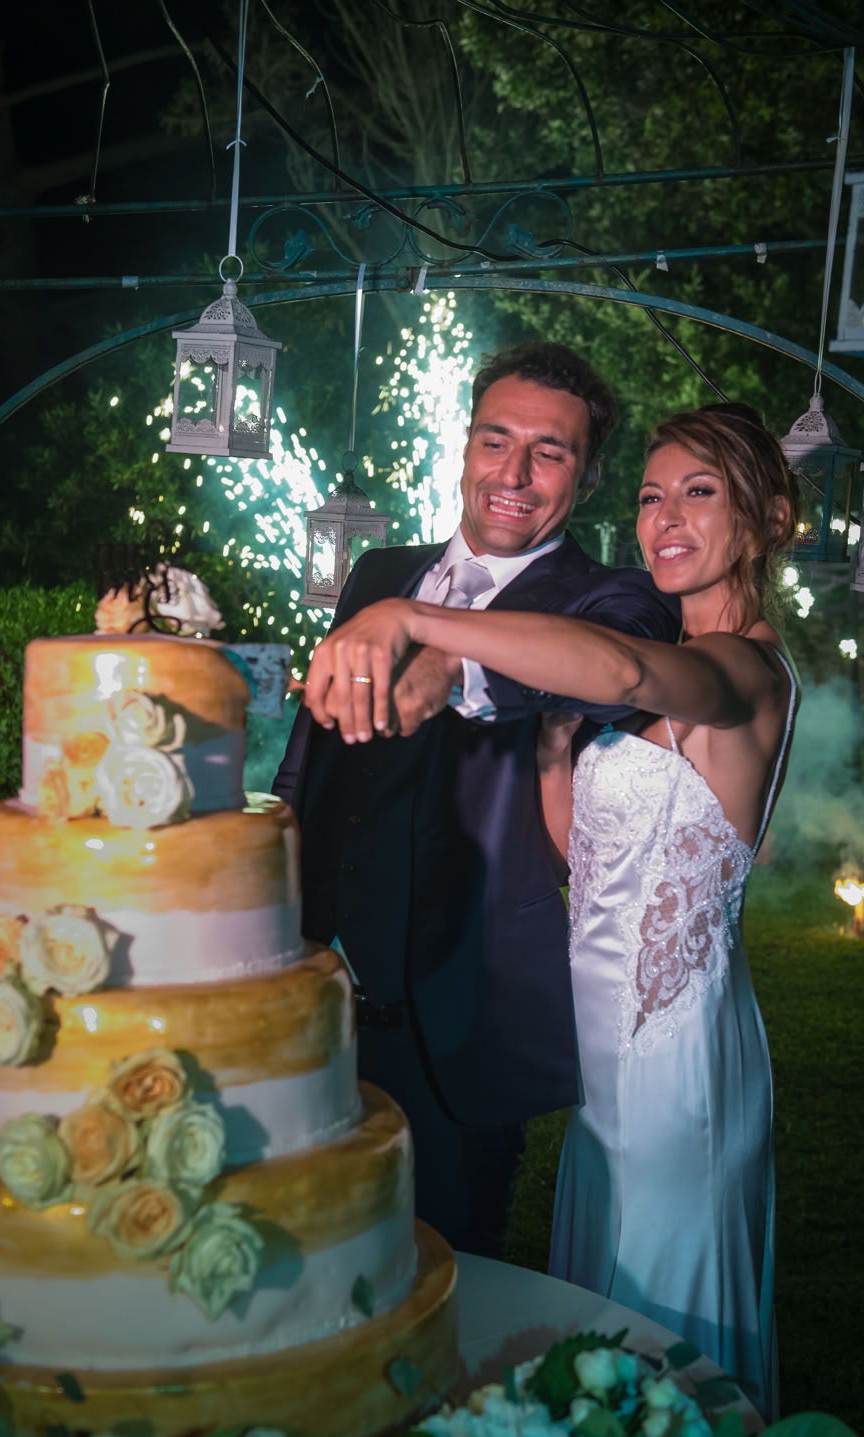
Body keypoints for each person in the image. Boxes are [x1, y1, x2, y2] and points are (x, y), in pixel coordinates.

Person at [302, 402, 798, 1419]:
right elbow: (587, 852)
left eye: (700, 493)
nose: (666, 517)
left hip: (678, 1063)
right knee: (605, 1328)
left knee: (662, 1342)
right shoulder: (663, 676)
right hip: (605, 1064)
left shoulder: (743, 670)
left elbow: (620, 666)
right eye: (653, 495)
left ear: (770, 518)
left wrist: (417, 618)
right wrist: (549, 748)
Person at [273, 342, 681, 1258]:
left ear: (589, 475)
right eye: (496, 441)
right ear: (463, 447)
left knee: (450, 1285)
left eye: (552, 451)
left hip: (461, 1028)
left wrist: (451, 655)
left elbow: (611, 681)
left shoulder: (617, 598)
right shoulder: (380, 575)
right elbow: (309, 766)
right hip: (313, 998)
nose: (516, 473)